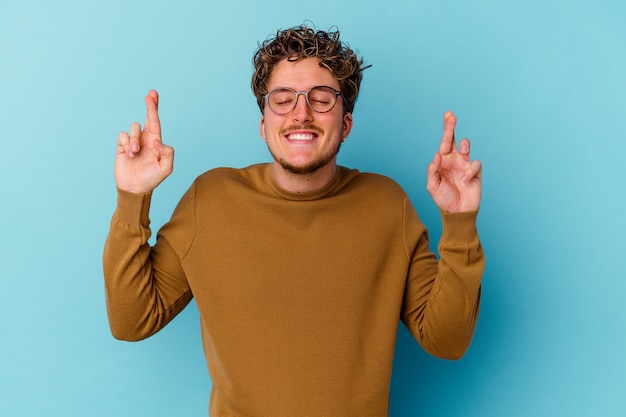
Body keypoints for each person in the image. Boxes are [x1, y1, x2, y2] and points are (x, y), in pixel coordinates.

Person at [104, 24, 484, 417]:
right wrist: (133, 197)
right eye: (283, 100)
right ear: (264, 124)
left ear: (346, 125)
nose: (301, 114)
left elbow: (447, 341)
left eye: (321, 99)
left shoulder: (387, 205)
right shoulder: (211, 200)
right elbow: (132, 320)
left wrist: (460, 222)